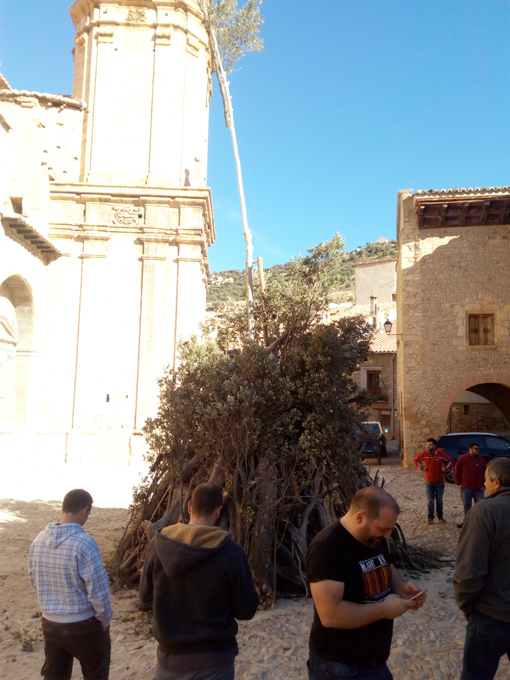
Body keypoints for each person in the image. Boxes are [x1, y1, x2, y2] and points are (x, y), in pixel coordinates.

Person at [139, 483, 259, 680]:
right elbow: (246, 611)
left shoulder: (158, 544)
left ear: (189, 506)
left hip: (170, 659)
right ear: (218, 511)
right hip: (215, 660)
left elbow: (144, 598)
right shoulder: (231, 551)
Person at [306, 486, 427, 680]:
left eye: (390, 529)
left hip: (377, 663)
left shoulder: (374, 537)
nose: (388, 536)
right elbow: (330, 615)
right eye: (383, 529)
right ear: (360, 517)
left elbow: (386, 565)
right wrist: (384, 609)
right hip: (339, 668)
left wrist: (400, 587)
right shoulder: (327, 547)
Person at [29, 489, 112, 680]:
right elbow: (98, 591)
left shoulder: (38, 541)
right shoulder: (85, 543)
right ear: (85, 510)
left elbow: (34, 580)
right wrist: (104, 619)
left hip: (51, 624)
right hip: (83, 625)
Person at [453, 458, 510, 680]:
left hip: (491, 616)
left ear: (496, 482)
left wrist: (465, 603)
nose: (484, 485)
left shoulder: (485, 511)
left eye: (485, 480)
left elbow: (469, 569)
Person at [413, 437, 455, 524]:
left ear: (434, 446)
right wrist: (421, 467)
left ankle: (440, 517)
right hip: (429, 481)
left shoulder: (441, 454)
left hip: (440, 481)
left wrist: (446, 468)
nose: (428, 446)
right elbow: (415, 460)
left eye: (430, 445)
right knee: (430, 500)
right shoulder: (424, 454)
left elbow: (451, 461)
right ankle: (430, 517)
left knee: (439, 500)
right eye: (427, 445)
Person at [454, 442, 487, 528]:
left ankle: (479, 524)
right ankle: (466, 523)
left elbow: (486, 474)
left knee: (480, 506)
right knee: (467, 506)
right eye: (476, 449)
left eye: (478, 449)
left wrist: (484, 486)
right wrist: (459, 483)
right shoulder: (462, 459)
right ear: (470, 449)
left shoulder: (481, 461)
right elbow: (457, 471)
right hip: (466, 488)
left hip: (479, 489)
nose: (478, 450)